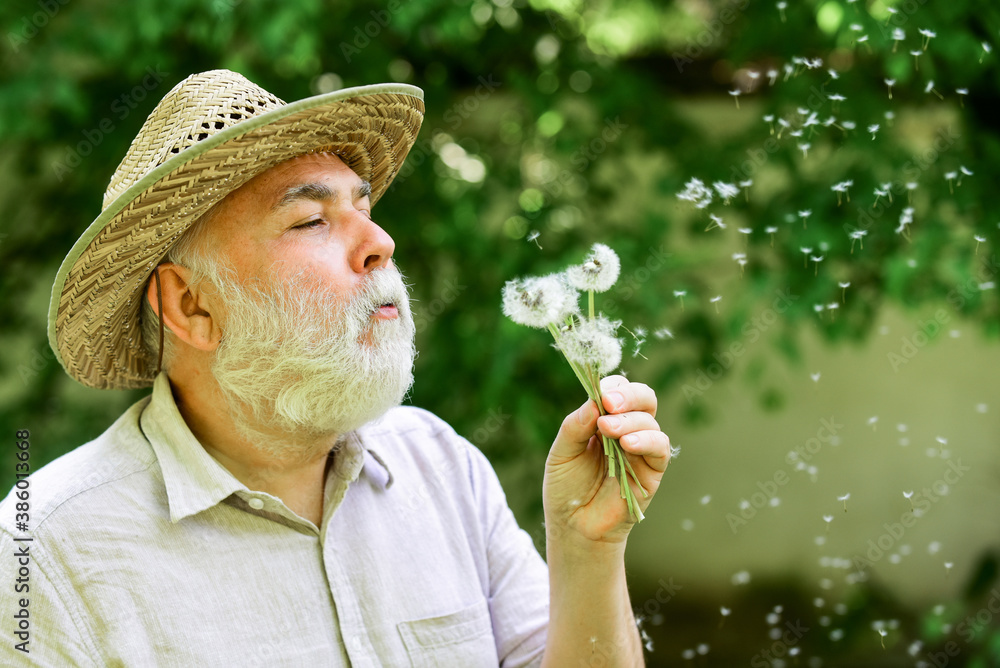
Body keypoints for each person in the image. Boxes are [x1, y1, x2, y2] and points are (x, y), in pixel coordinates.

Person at [1, 69, 671, 666]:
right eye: (311, 221)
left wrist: (587, 549)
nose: (380, 243)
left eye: (364, 207)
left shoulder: (443, 466)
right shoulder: (46, 555)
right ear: (191, 305)